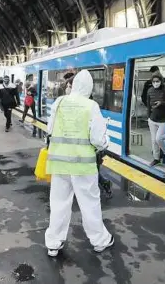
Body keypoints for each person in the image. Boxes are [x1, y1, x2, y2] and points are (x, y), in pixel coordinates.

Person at [45, 69, 114, 257]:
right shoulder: (91, 106)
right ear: (90, 87)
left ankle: (53, 243)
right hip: (83, 166)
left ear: (73, 85)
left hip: (59, 164)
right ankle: (99, 241)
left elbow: (50, 129)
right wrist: (105, 142)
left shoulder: (59, 102)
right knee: (89, 204)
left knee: (58, 203)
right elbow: (98, 140)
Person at [146, 72, 165, 166]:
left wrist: (162, 103)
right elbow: (148, 104)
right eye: (154, 81)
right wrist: (149, 116)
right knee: (153, 140)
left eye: (157, 81)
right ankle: (156, 158)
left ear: (161, 81)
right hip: (152, 120)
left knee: (159, 139)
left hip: (163, 120)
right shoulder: (150, 90)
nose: (155, 83)